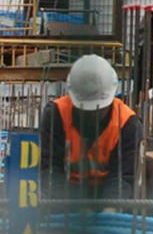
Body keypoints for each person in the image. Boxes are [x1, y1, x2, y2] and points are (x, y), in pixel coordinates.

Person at [40, 55, 143, 210]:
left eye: (98, 110)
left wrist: (110, 210)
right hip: (67, 193)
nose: (91, 114)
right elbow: (50, 170)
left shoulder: (126, 123)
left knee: (150, 168)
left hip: (105, 191)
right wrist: (73, 210)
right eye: (85, 109)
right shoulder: (57, 115)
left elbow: (122, 177)